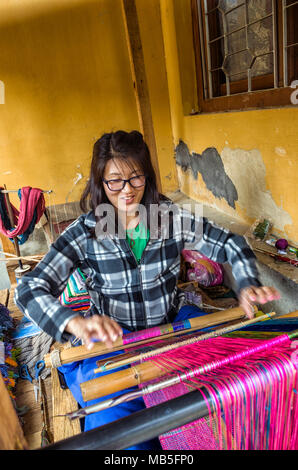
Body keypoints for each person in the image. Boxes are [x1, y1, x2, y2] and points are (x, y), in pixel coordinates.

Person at [14, 130, 280, 449]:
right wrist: (75, 323)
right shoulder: (86, 233)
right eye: (115, 181)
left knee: (240, 390)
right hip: (114, 344)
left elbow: (231, 243)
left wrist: (248, 284)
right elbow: (29, 287)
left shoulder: (169, 220)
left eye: (135, 178)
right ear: (100, 181)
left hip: (173, 330)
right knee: (120, 433)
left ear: (147, 177)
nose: (127, 191)